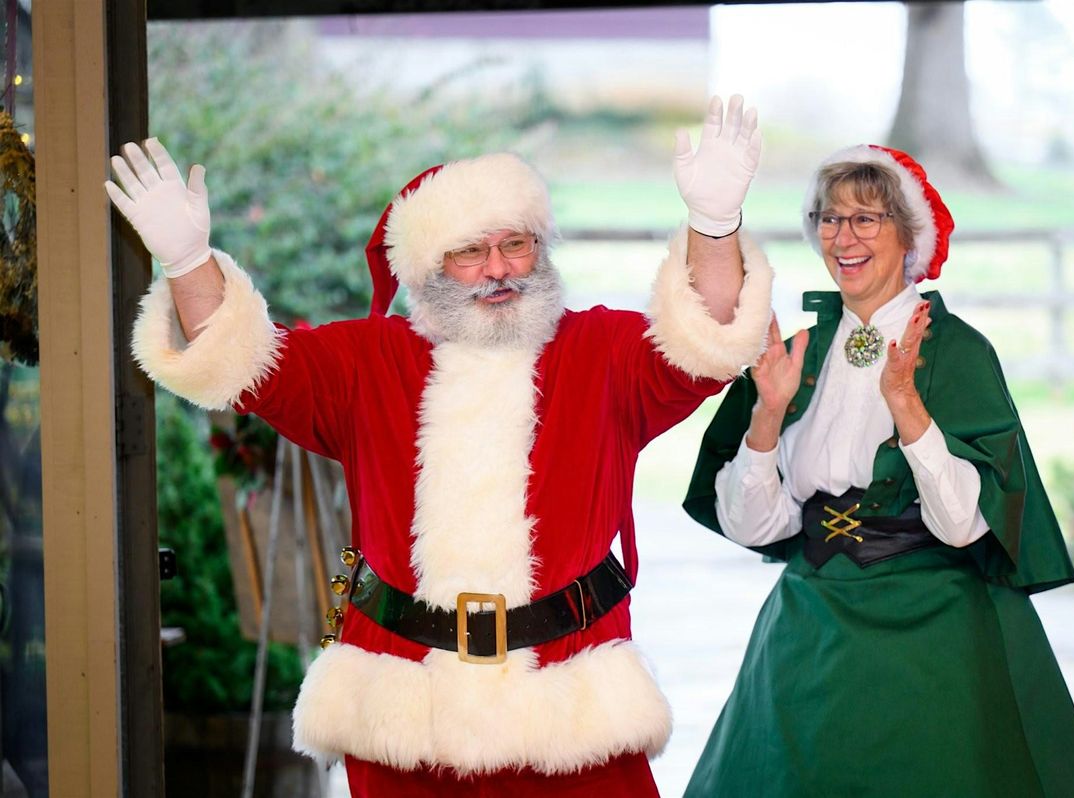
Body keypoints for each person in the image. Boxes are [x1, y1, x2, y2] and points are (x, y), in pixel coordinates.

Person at [106, 96, 773, 796]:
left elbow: (707, 339)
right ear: (427, 268)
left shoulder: (602, 351)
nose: (498, 269)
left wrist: (713, 224)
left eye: (516, 244)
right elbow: (239, 361)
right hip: (404, 707)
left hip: (573, 701)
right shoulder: (365, 362)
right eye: (469, 252)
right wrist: (187, 260)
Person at [682, 144, 1074, 797]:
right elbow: (756, 527)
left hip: (933, 637)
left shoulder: (957, 352)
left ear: (909, 235)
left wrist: (906, 405)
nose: (843, 237)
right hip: (808, 634)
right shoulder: (796, 355)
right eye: (829, 218)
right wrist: (766, 414)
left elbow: (964, 524)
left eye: (865, 219)